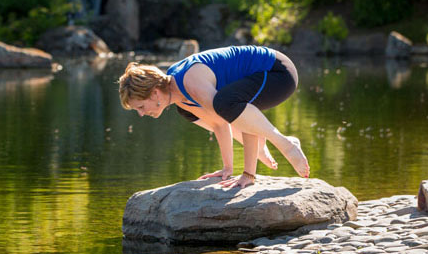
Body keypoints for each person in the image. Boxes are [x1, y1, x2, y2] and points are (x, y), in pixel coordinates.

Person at [117, 45, 309, 188]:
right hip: (257, 83)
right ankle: (262, 145)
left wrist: (248, 175)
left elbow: (239, 113)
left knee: (225, 104)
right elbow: (220, 124)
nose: (141, 114)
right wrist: (227, 169)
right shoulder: (180, 97)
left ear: (155, 93)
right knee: (201, 109)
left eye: (140, 107)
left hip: (278, 73)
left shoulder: (191, 83)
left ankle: (285, 144)